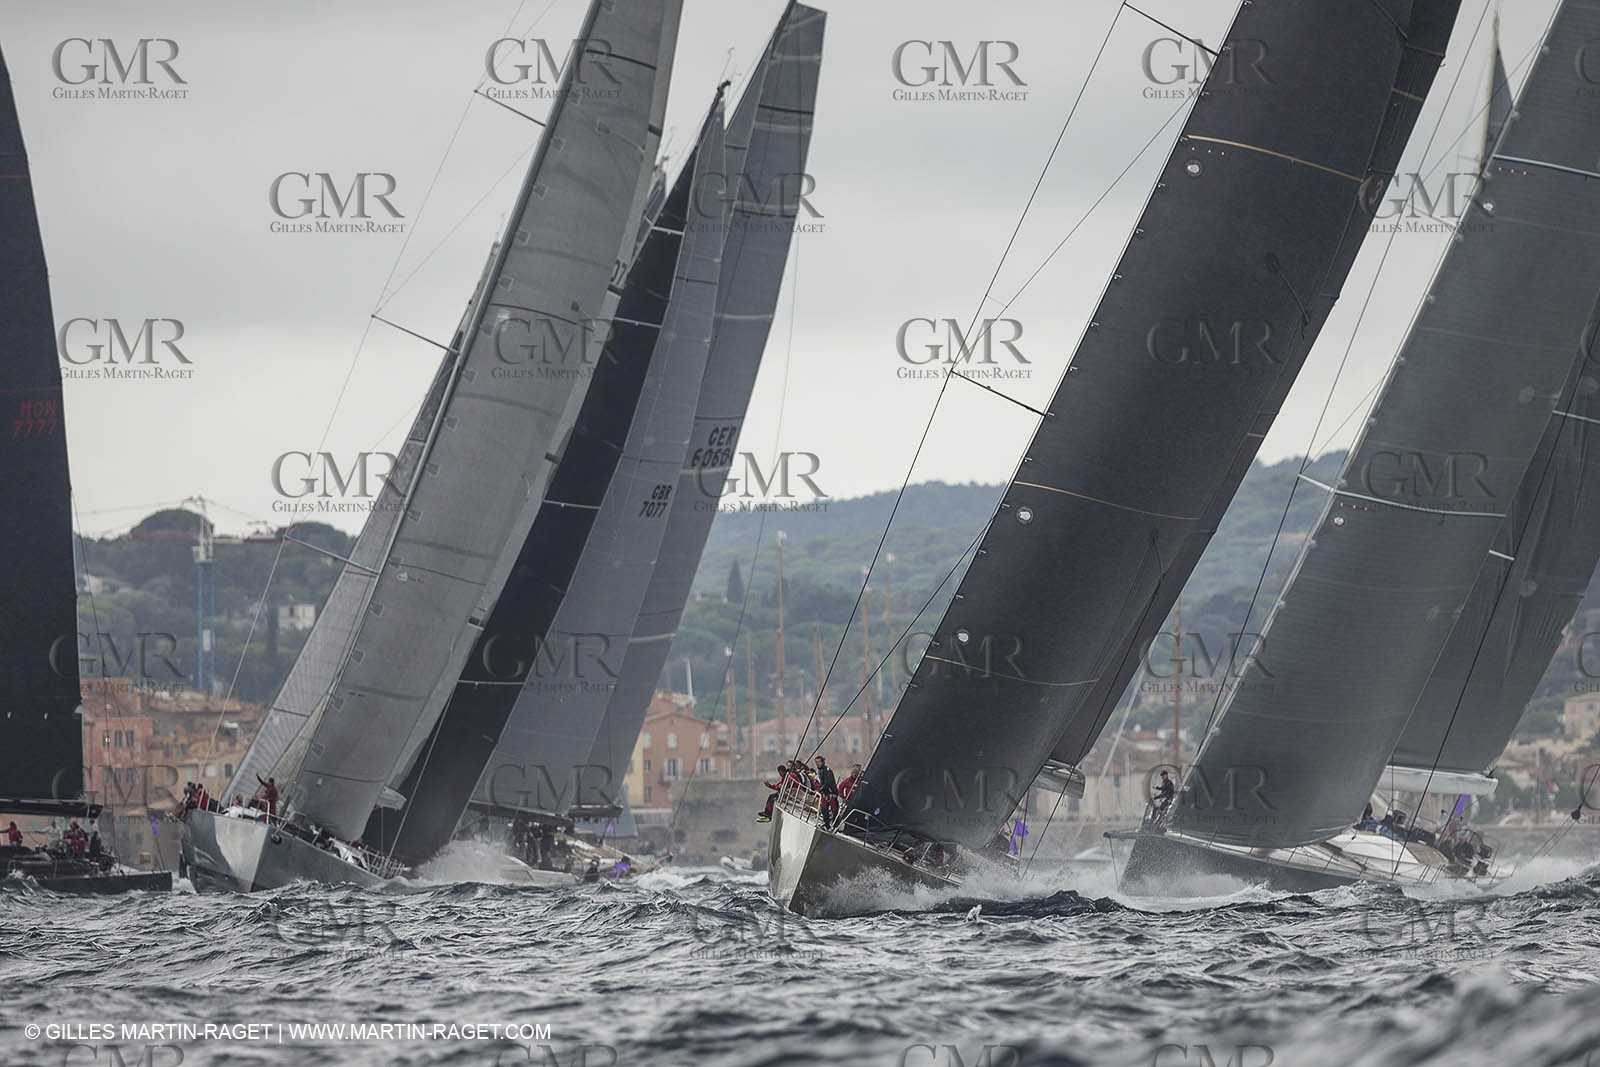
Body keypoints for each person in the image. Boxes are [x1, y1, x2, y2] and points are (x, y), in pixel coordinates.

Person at [813, 756, 839, 829]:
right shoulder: (820, 771)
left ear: (823, 762)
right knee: (824, 809)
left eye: (819, 762)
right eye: (816, 762)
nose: (817, 764)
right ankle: (827, 825)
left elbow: (828, 782)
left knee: (834, 809)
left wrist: (821, 789)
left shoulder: (827, 770)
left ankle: (835, 825)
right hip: (825, 793)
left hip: (831, 793)